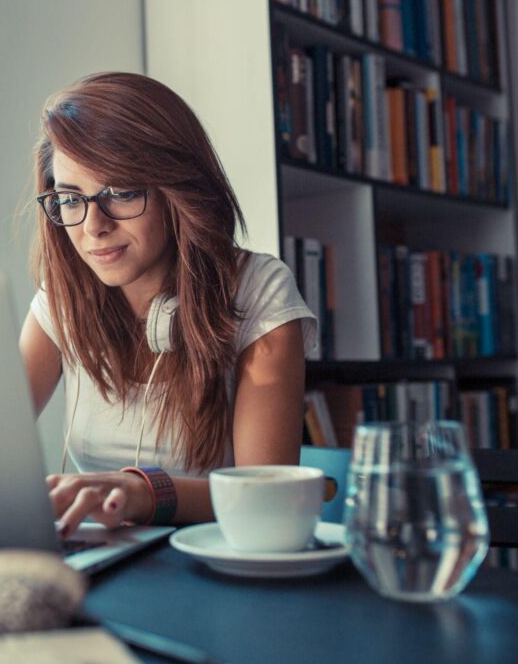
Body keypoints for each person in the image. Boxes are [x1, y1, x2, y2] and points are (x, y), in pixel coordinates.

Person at [19, 72, 318, 539]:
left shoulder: (259, 291)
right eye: (70, 199)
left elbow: (266, 497)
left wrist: (141, 492)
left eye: (120, 193)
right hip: (101, 556)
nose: (92, 226)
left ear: (176, 190)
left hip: (212, 566)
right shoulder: (61, 301)